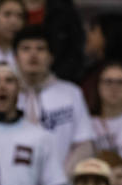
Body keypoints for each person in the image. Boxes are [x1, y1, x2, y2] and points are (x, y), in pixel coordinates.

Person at [13, 25, 95, 176]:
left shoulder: (71, 93)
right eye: (26, 49)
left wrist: (60, 181)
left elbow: (84, 144)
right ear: (15, 57)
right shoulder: (3, 94)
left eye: (40, 49)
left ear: (51, 57)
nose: (33, 54)